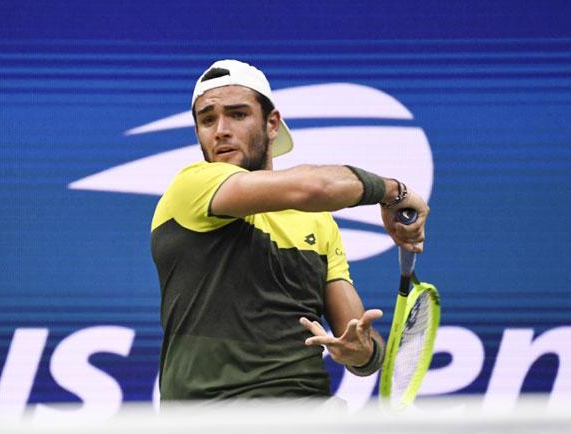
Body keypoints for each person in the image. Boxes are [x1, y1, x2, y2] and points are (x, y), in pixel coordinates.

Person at [150, 60, 429, 400]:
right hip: (209, 419)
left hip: (303, 415)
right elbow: (313, 188)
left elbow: (360, 348)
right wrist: (392, 192)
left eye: (237, 114)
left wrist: (361, 351)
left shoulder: (318, 223)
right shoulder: (191, 187)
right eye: (207, 119)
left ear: (272, 123)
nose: (220, 129)